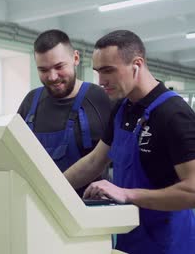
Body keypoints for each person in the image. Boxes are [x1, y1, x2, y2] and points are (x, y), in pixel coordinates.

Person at [64, 30, 195, 253]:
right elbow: (95, 160)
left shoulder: (174, 114)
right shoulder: (123, 108)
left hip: (169, 243)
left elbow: (192, 191)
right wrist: (50, 188)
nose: (101, 81)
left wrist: (126, 194)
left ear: (137, 64)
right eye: (98, 71)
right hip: (130, 239)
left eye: (108, 71)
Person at [17, 29, 111, 195]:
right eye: (43, 70)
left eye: (59, 67)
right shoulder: (31, 102)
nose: (52, 77)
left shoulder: (100, 99)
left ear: (75, 58)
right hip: (39, 203)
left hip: (89, 208)